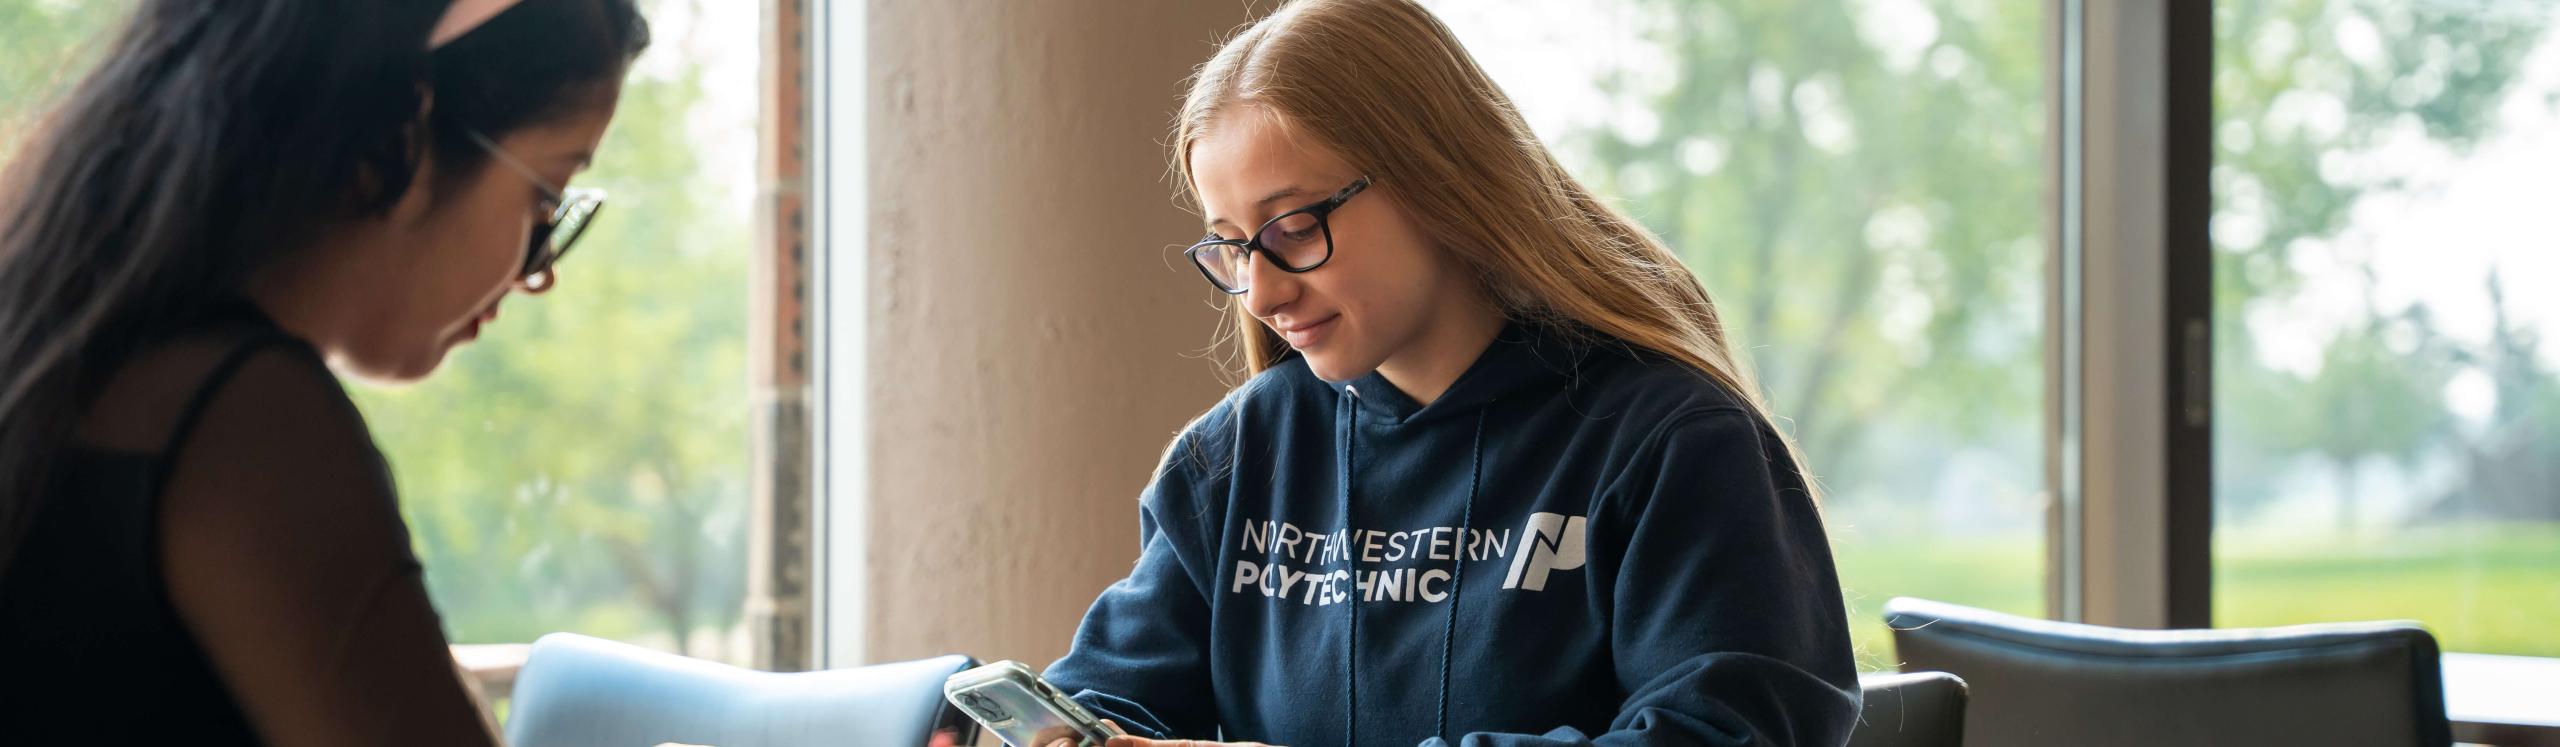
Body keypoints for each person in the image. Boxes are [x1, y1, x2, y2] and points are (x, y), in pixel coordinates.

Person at [1041, 1, 1861, 745]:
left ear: (1436, 177)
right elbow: (1112, 695)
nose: (1262, 291)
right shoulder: (1235, 457)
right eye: (1231, 244)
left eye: (1292, 227)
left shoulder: (1672, 443)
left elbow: (1722, 732)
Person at [0, 0, 646, 743]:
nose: (539, 275)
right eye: (546, 196)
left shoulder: (57, 368)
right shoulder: (239, 425)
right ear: (404, 130)